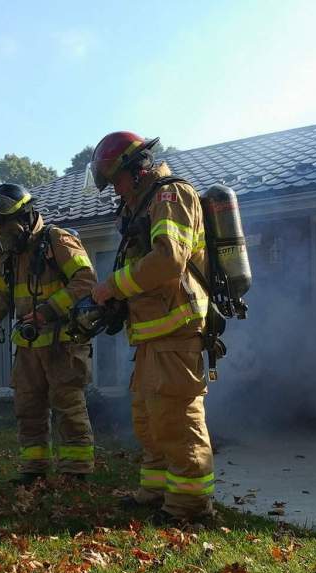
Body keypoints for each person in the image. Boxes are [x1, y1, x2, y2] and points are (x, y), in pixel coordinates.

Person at [85, 131, 216, 526]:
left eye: (117, 182)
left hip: (176, 330)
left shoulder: (170, 196)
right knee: (149, 418)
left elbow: (168, 261)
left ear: (136, 169)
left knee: (177, 417)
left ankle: (189, 505)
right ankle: (156, 492)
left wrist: (113, 286)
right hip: (151, 334)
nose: (115, 192)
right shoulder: (142, 205)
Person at [0, 183, 97, 485]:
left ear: (23, 218)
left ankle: (77, 472)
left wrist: (49, 310)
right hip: (28, 345)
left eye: (5, 226)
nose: (1, 235)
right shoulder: (10, 255)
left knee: (68, 406)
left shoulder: (56, 240)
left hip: (63, 342)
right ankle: (34, 470)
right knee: (28, 408)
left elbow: (86, 279)